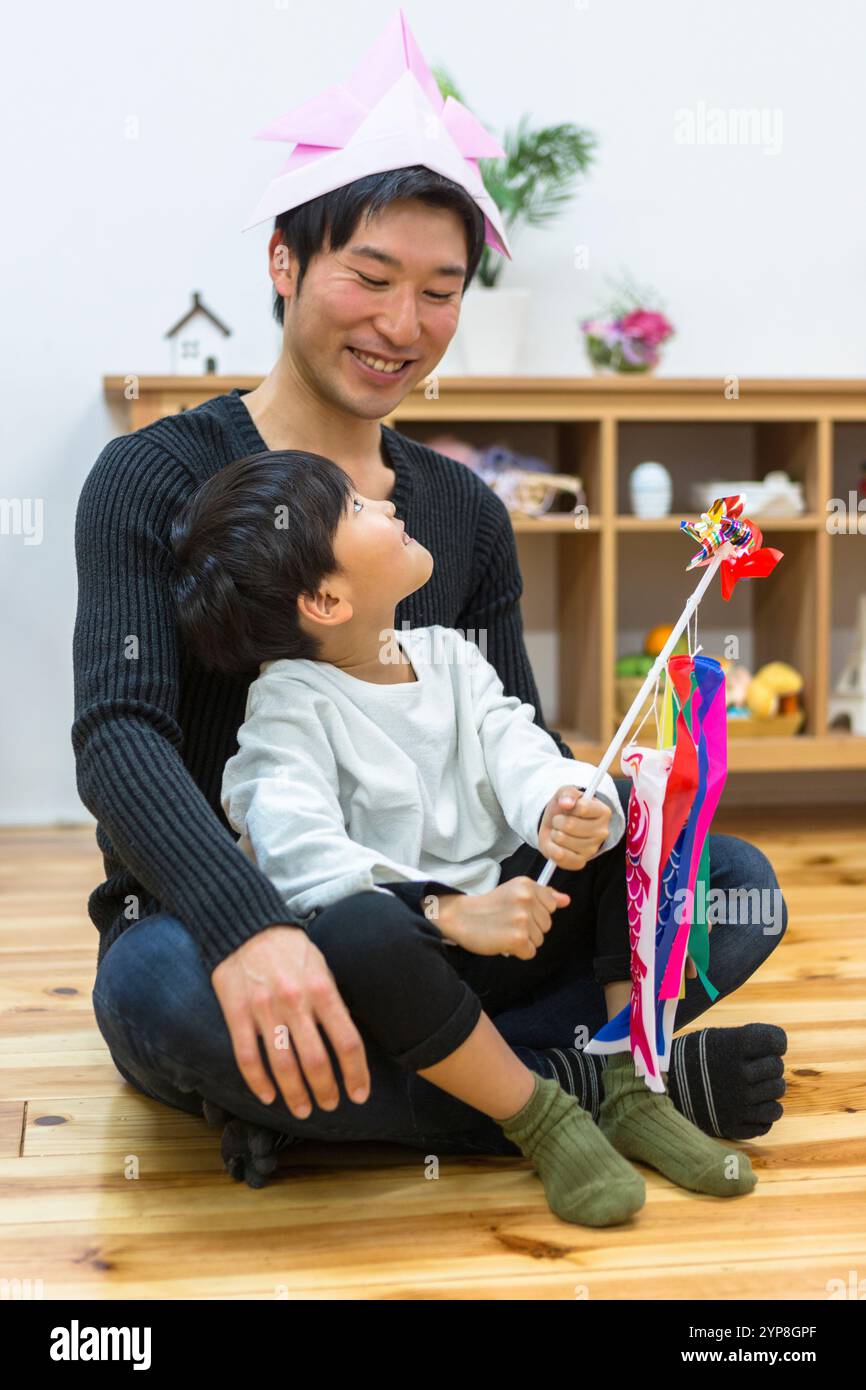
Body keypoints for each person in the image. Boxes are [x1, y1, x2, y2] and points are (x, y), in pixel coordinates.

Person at [73, 15, 787, 1188]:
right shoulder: (152, 476)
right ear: (283, 261)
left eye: (440, 290)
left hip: (467, 921)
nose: (400, 326)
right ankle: (584, 1088)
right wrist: (248, 925)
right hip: (250, 926)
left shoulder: (457, 512)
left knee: (728, 884)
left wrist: (579, 809)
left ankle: (345, 1106)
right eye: (369, 276)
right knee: (158, 997)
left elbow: (511, 732)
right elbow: (121, 738)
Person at [165, 446, 759, 1225]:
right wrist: (446, 914)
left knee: (626, 812)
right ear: (324, 599)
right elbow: (297, 857)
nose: (382, 502)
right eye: (353, 507)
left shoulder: (449, 655)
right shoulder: (288, 709)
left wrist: (558, 805)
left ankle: (629, 1087)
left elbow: (516, 743)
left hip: (522, 927)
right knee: (358, 929)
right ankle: (542, 1116)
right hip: (411, 971)